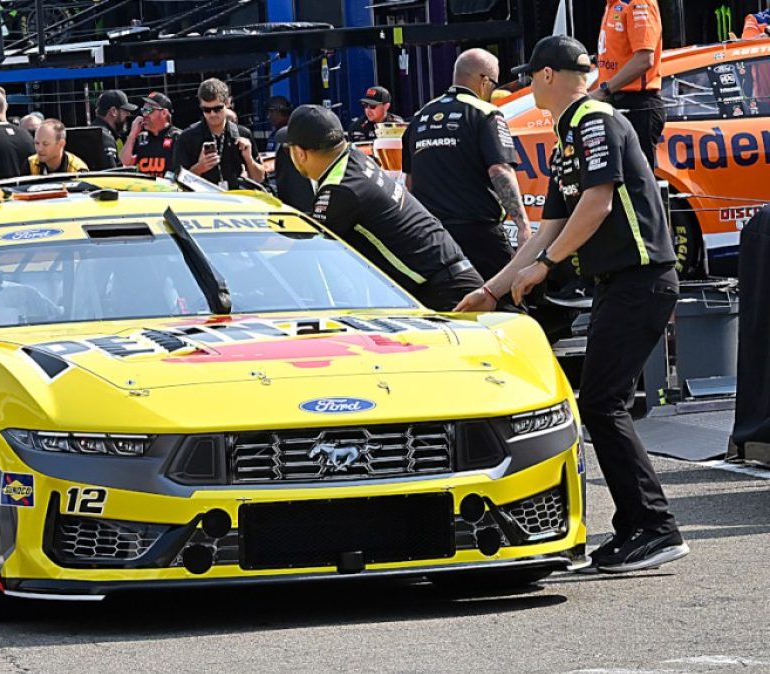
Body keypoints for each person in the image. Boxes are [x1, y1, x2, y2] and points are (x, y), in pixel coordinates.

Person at [458, 35, 689, 574]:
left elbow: (598, 203)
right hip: (621, 283)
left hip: (642, 279)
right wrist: (491, 289)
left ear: (544, 76)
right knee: (602, 403)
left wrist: (544, 267)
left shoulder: (594, 120)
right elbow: (549, 228)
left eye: (529, 76)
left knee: (603, 404)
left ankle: (654, 527)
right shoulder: (570, 136)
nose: (525, 85)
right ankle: (639, 527)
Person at [287, 105, 482, 311]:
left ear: (300, 153)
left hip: (443, 293)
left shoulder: (339, 189)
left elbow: (304, 251)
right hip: (448, 279)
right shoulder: (354, 159)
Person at [403, 48, 530, 284]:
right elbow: (499, 170)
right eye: (493, 83)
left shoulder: (420, 116)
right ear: (483, 81)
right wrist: (522, 225)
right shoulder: (486, 113)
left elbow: (410, 183)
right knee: (506, 300)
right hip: (479, 232)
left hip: (433, 235)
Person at [591, 0, 663, 170]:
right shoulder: (612, 4)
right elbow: (611, 65)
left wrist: (604, 90)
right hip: (615, 101)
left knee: (637, 181)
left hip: (637, 103)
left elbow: (644, 59)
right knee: (617, 179)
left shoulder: (638, 3)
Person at [173, 78, 266, 188]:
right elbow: (177, 181)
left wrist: (249, 159)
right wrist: (200, 167)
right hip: (203, 201)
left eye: (217, 108)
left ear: (227, 103)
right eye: (206, 110)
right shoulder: (187, 137)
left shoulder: (242, 134)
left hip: (235, 199)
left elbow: (259, 178)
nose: (212, 114)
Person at [120, 91, 180, 177]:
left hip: (168, 189)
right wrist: (132, 134)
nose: (144, 115)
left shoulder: (177, 137)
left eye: (149, 110)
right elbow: (126, 162)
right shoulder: (141, 138)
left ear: (164, 113)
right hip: (147, 189)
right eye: (143, 110)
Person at [92, 90, 136, 169]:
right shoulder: (105, 136)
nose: (128, 115)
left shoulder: (93, 130)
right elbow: (113, 174)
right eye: (126, 111)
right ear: (113, 111)